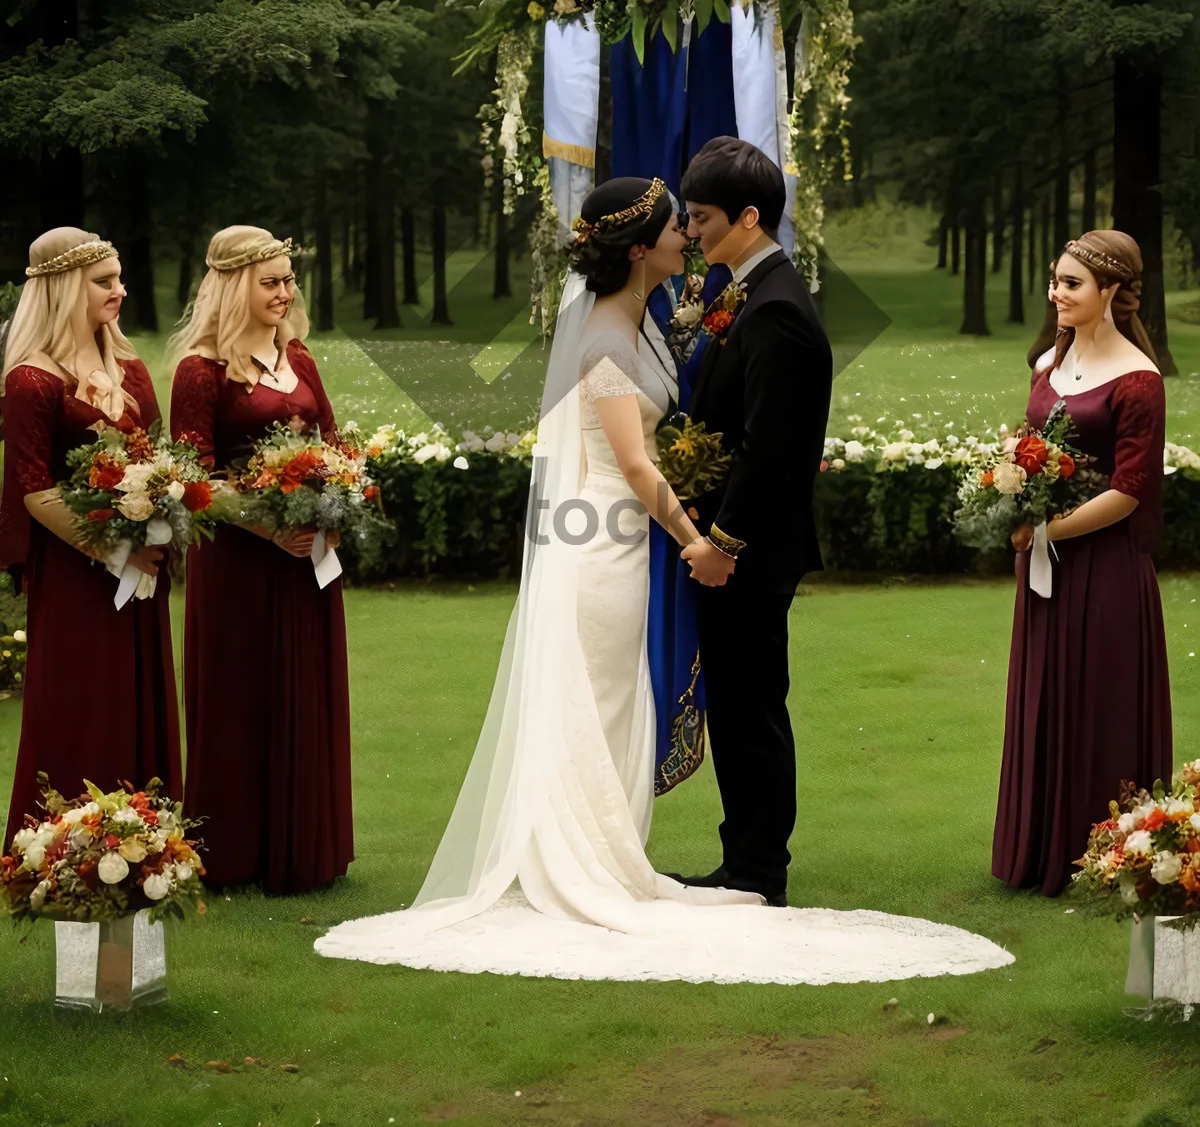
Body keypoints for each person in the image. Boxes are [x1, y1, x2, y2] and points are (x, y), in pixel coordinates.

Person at [314, 177, 1011, 984]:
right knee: (601, 702)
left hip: (626, 548)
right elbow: (638, 464)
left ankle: (611, 859)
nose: (688, 237)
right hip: (605, 547)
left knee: (615, 704)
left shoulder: (640, 322)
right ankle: (586, 868)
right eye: (678, 228)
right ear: (640, 249)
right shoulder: (608, 342)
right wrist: (696, 538)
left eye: (696, 222)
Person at [672, 137, 833, 906]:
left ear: (746, 217)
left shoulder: (777, 311)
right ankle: (743, 859)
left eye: (700, 218)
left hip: (752, 551)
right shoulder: (748, 291)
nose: (690, 230)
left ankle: (760, 869)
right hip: (740, 546)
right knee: (737, 701)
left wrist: (720, 545)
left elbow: (769, 451)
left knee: (752, 705)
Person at [169, 225, 352, 893]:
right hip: (239, 566)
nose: (285, 292)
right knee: (240, 693)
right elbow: (193, 478)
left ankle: (306, 848)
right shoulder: (200, 370)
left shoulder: (297, 357)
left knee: (305, 688)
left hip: (307, 560)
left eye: (288, 280)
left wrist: (334, 506)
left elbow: (332, 441)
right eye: (270, 281)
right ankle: (237, 852)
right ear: (234, 286)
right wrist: (268, 528)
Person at [993, 230, 1171, 897]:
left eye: (1071, 284)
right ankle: (1041, 846)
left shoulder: (1138, 381)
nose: (1056, 293)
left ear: (1113, 293)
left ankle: (1106, 855)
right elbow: (1034, 443)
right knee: (1045, 696)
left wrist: (1044, 529)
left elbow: (1129, 492)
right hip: (1047, 567)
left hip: (1106, 570)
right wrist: (1010, 483)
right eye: (1055, 279)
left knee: (1100, 705)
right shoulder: (1047, 361)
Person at [1, 228, 180, 845]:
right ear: (64, 288)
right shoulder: (30, 380)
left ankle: (147, 841)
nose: (120, 291)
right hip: (75, 570)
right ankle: (65, 847)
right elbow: (32, 486)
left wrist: (156, 527)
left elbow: (159, 458)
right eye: (105, 281)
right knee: (81, 700)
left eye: (120, 278)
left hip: (141, 563)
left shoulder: (128, 367)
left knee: (138, 693)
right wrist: (112, 546)